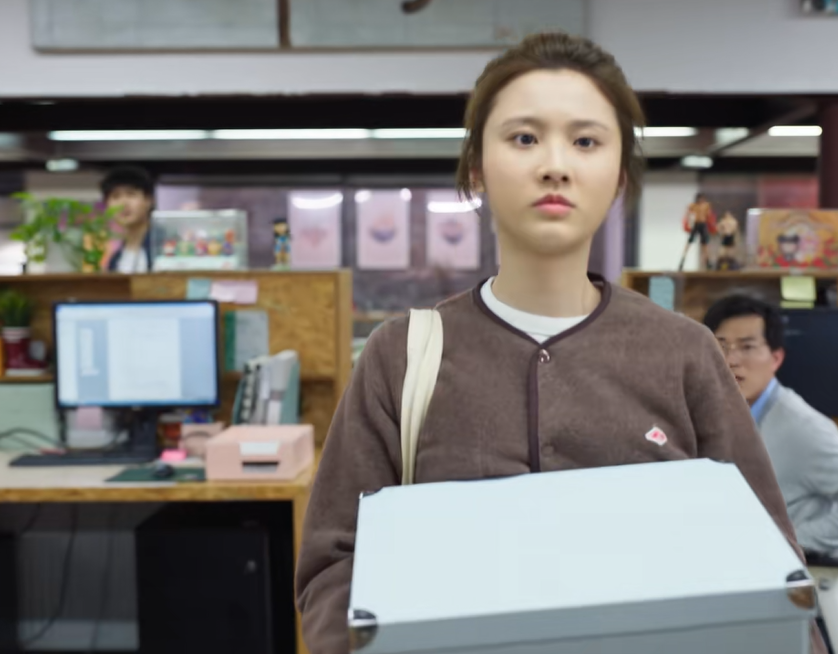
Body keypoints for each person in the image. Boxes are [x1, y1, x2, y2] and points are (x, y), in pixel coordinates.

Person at [296, 32, 824, 654]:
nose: (555, 164)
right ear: (477, 167)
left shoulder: (684, 353)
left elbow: (773, 566)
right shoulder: (403, 356)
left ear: (619, 175)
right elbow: (334, 565)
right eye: (524, 138)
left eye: (585, 141)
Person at [704, 294, 838, 557]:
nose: (731, 360)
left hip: (792, 570)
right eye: (721, 346)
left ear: (776, 358)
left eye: (747, 347)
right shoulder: (718, 413)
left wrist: (789, 541)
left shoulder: (803, 427)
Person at [101, 166, 154, 273]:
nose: (123, 203)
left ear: (149, 200)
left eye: (131, 194)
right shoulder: (114, 260)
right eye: (115, 196)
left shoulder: (164, 248)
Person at [678, 193, 715, 271]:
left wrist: (711, 224)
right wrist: (688, 224)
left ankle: (708, 262)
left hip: (703, 224)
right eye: (700, 199)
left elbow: (709, 215)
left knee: (704, 244)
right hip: (695, 224)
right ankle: (682, 261)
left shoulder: (706, 205)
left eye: (702, 199)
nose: (701, 200)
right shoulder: (692, 206)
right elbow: (688, 215)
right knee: (689, 243)